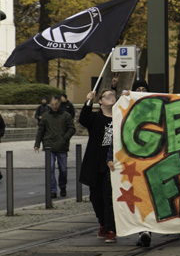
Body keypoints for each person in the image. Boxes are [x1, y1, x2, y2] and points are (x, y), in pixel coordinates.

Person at [79, 87, 118, 242]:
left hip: (112, 163)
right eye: (107, 95)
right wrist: (89, 101)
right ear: (100, 101)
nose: (111, 97)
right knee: (96, 198)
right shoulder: (95, 118)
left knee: (109, 197)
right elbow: (83, 119)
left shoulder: (119, 117)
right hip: (95, 163)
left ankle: (110, 229)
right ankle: (102, 222)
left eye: (113, 95)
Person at [34, 95, 75, 198]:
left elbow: (71, 128)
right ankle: (53, 189)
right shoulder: (46, 116)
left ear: (59, 103)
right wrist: (37, 144)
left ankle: (62, 186)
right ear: (50, 104)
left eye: (56, 104)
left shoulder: (66, 115)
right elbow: (41, 131)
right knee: (50, 168)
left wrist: (65, 138)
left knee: (63, 169)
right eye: (52, 104)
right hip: (49, 145)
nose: (54, 106)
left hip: (62, 145)